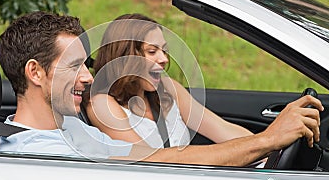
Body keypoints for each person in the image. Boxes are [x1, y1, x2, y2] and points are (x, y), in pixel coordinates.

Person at [0, 11, 323, 166]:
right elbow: (160, 162)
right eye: (73, 65)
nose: (87, 77)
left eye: (86, 64)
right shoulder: (44, 154)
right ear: (35, 73)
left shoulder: (71, 130)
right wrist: (269, 140)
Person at [87, 13, 256, 149]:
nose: (164, 59)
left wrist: (266, 146)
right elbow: (152, 162)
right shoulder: (103, 105)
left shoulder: (167, 88)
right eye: (152, 51)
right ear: (125, 57)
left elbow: (223, 129)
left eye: (164, 50)